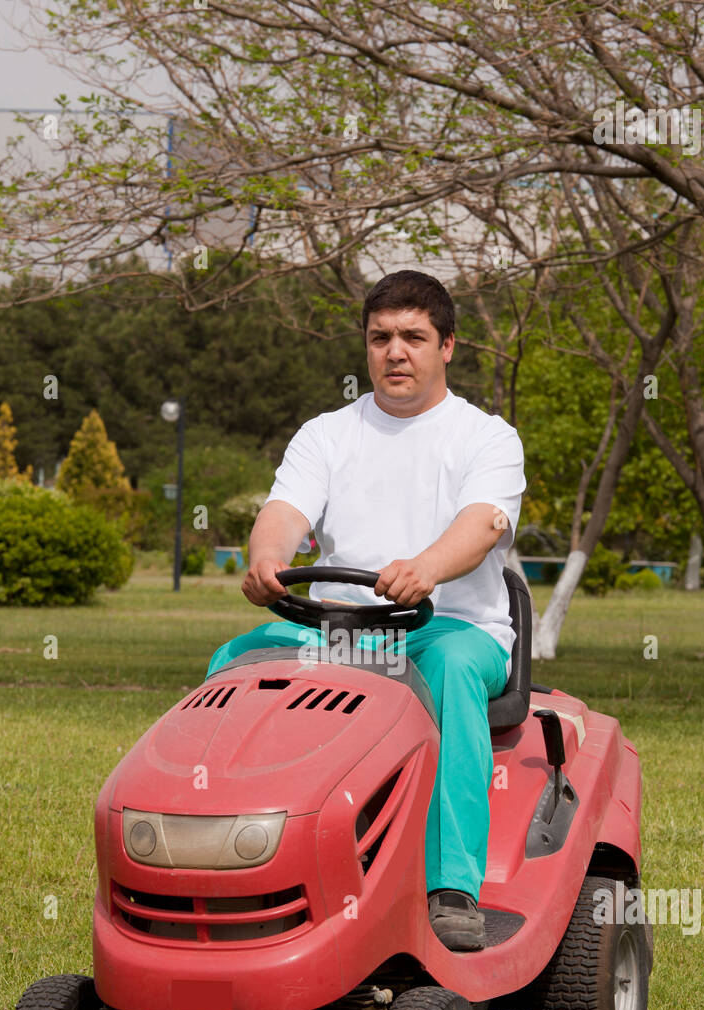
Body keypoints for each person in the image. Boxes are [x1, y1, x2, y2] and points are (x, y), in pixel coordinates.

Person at [206, 270, 526, 951]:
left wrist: (426, 570)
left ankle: (450, 887)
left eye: (413, 337)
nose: (394, 352)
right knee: (233, 664)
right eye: (380, 338)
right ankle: (233, 857)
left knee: (447, 673)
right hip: (342, 630)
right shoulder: (326, 435)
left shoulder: (486, 438)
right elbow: (282, 514)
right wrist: (266, 559)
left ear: (447, 347)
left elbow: (479, 527)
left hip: (449, 629)